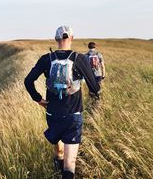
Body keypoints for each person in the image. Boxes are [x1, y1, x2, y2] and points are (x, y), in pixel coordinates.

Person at [24, 26, 101, 179]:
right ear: (72, 38)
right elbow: (95, 87)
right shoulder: (79, 58)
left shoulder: (47, 59)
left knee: (58, 151)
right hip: (73, 114)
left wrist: (38, 99)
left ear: (56, 40)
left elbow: (28, 81)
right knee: (70, 163)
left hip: (52, 113)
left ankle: (56, 172)